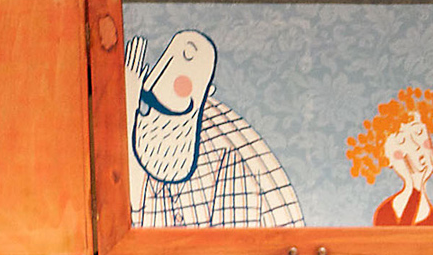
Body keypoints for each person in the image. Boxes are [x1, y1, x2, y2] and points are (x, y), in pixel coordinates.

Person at [124, 29, 304, 228]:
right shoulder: (143, 141)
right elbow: (140, 212)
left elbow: (234, 241)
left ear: (207, 93)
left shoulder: (228, 160)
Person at [345, 85, 433, 227]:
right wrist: (416, 189)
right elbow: (403, 237)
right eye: (402, 141)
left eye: (419, 132)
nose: (416, 146)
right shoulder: (386, 212)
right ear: (386, 158)